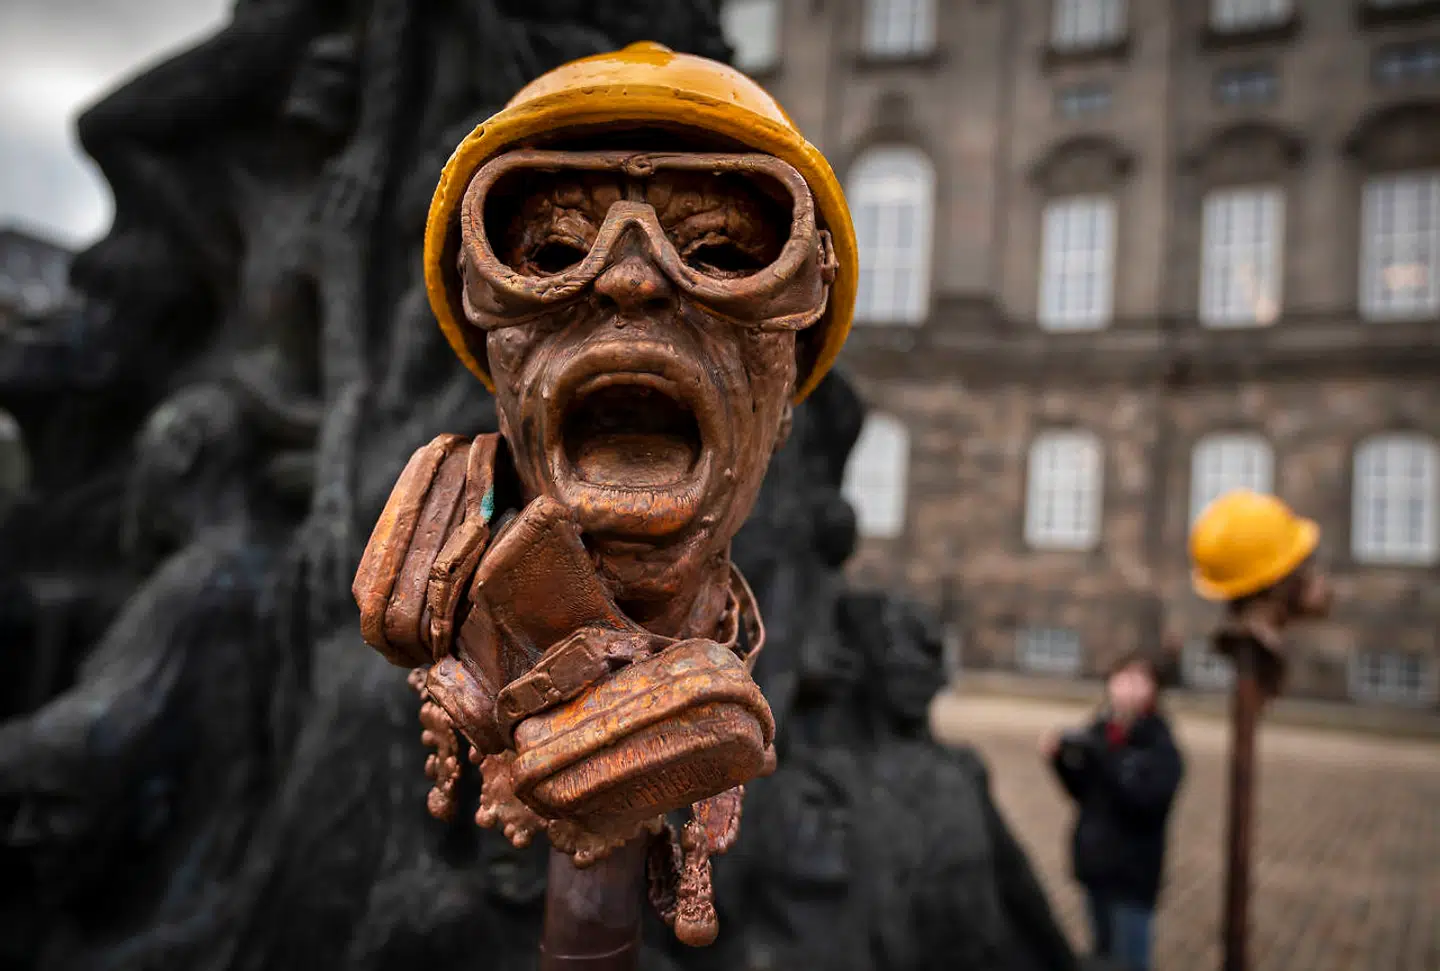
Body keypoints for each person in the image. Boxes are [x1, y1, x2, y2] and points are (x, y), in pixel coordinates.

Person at [1040, 649, 1184, 971]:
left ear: (1153, 690)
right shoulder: (1101, 730)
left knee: (1130, 961)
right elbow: (1083, 793)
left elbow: (1146, 801)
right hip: (1096, 868)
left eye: (1138, 680)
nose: (1127, 687)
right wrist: (1059, 761)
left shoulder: (1158, 743)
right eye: (1122, 678)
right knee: (1102, 958)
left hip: (1132, 876)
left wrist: (1104, 757)